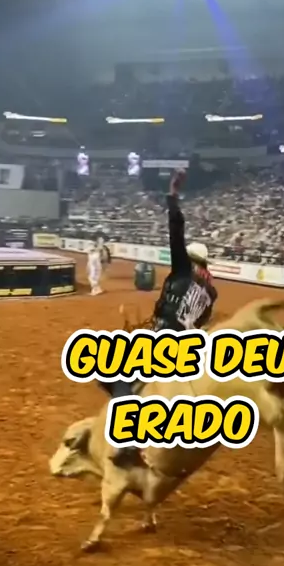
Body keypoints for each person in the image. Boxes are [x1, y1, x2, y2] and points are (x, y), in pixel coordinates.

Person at [101, 169, 218, 399]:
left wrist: (173, 196)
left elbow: (176, 232)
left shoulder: (184, 269)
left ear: (190, 258)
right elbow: (202, 322)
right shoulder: (211, 292)